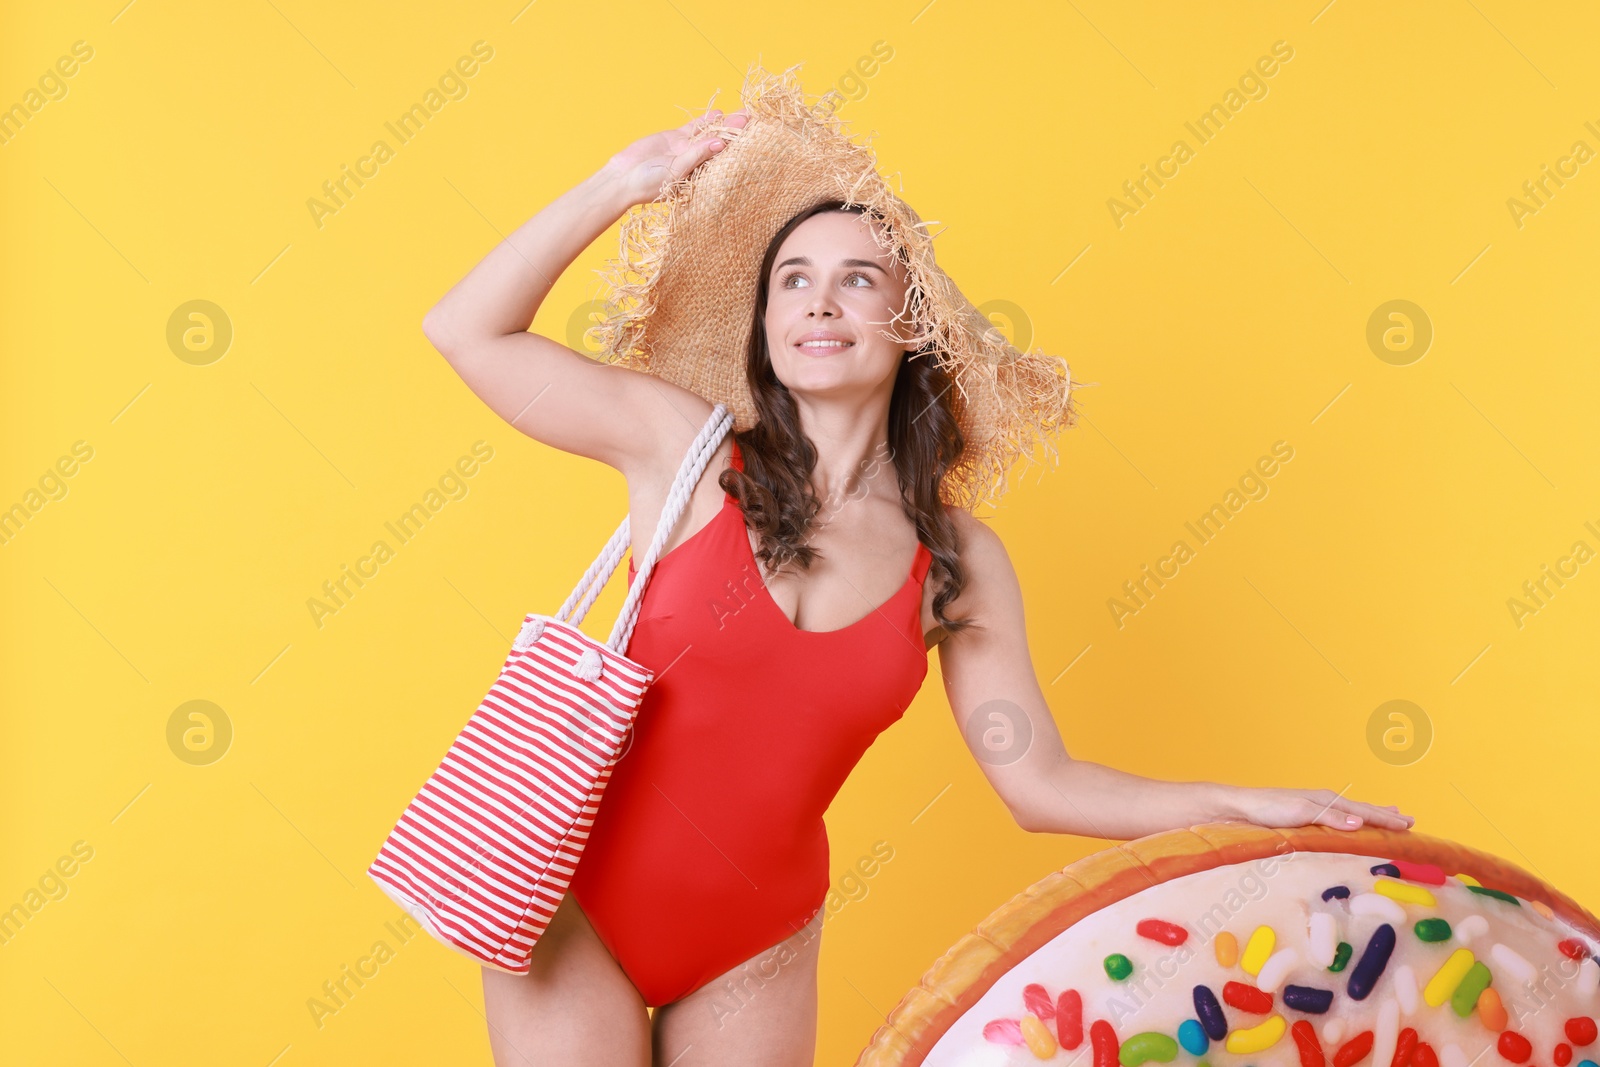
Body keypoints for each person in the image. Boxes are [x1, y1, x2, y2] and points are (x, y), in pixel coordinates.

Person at [419, 78, 1415, 1067]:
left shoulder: (957, 559)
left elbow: (1040, 782)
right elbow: (466, 330)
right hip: (573, 898)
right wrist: (619, 183)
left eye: (857, 278)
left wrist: (1249, 805)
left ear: (913, 319)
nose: (818, 300)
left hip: (755, 944)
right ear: (764, 323)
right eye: (792, 279)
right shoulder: (678, 451)